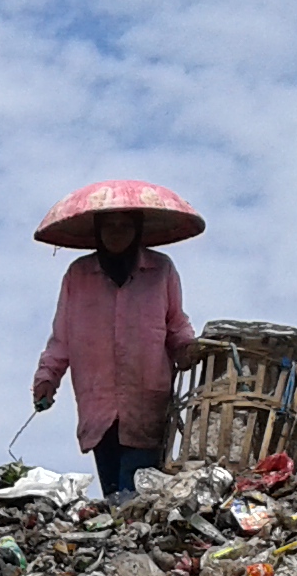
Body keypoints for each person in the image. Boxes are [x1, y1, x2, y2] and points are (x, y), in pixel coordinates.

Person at [27, 180, 202, 499]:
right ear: (97, 231)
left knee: (135, 491)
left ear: (138, 229)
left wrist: (189, 350)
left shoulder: (160, 270)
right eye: (109, 226)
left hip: (146, 399)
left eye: (125, 225)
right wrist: (47, 379)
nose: (117, 232)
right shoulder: (78, 276)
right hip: (98, 401)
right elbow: (61, 339)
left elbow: (177, 324)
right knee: (113, 494)